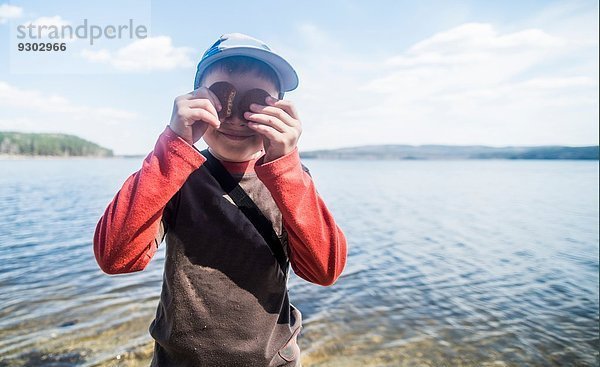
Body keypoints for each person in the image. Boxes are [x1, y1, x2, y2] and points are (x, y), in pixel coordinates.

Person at [93, 33, 348, 367]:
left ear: (281, 112)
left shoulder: (292, 182)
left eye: (257, 104)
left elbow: (325, 270)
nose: (236, 117)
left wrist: (286, 164)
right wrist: (174, 144)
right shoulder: (175, 176)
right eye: (221, 97)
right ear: (196, 99)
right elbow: (115, 257)